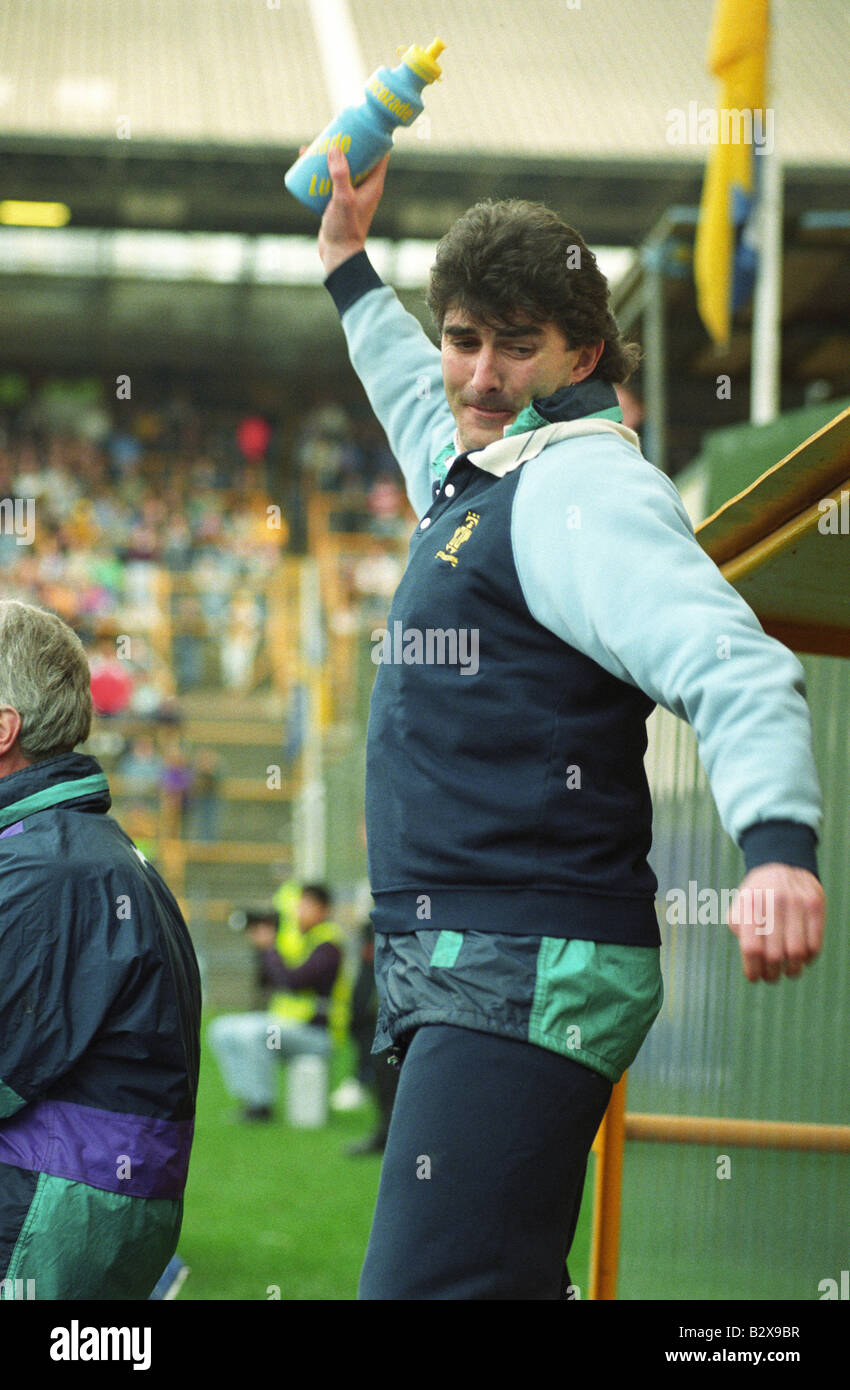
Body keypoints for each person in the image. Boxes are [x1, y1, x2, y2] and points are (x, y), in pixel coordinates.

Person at [313, 145, 827, 1300]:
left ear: (582, 354)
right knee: (489, 1280)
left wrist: (777, 848)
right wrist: (347, 262)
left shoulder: (579, 487)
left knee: (429, 1290)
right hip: (479, 951)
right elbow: (414, 393)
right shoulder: (487, 466)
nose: (480, 372)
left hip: (527, 954)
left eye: (516, 343)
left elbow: (732, 661)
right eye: (462, 338)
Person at [0, 600, 201, 1299]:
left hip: (49, 1199)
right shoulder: (69, 850)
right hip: (75, 1190)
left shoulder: (46, 869)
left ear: (3, 730)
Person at [209, 883, 346, 1122]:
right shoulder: (297, 940)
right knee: (221, 1030)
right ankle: (248, 1098)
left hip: (317, 1035)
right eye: (299, 904)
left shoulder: (328, 944)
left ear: (324, 909)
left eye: (307, 905)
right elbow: (266, 983)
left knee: (255, 1033)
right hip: (286, 1030)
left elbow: (293, 982)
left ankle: (261, 1105)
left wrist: (270, 948)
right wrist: (265, 949)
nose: (299, 910)